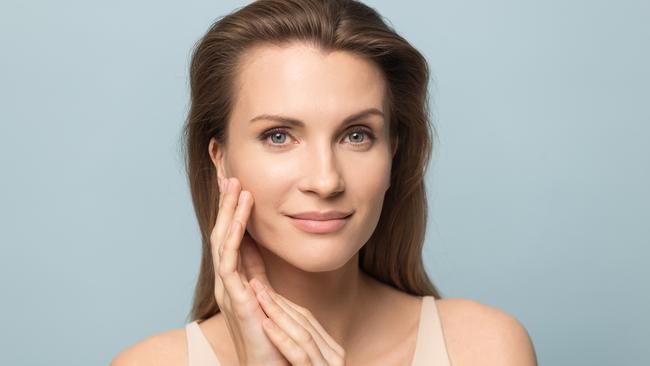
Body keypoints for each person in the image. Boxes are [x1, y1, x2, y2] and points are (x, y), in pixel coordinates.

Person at [111, 0, 537, 365]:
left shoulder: (483, 348)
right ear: (220, 160)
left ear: (393, 152)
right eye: (278, 136)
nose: (325, 179)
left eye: (356, 135)